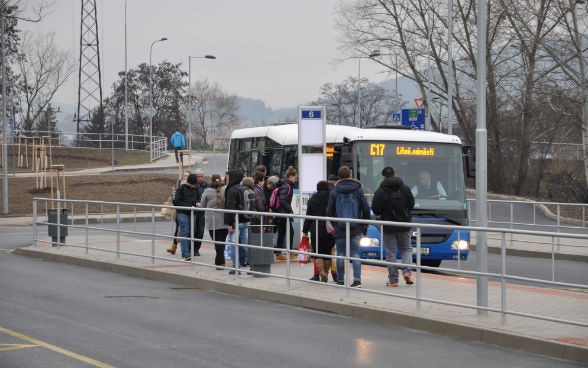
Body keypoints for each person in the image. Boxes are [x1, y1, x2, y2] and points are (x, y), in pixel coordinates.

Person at [326, 165, 371, 288]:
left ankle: (340, 280)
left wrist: (336, 224)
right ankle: (357, 280)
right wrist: (364, 223)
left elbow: (329, 212)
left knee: (340, 254)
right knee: (355, 254)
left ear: (339, 177)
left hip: (340, 228)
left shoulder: (335, 191)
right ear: (350, 175)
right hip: (355, 227)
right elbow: (366, 209)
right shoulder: (358, 190)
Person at [372, 166, 416, 287]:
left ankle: (393, 280)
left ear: (384, 177)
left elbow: (375, 210)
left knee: (391, 253)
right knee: (406, 249)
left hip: (388, 226)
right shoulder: (405, 188)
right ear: (394, 174)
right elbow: (412, 204)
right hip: (404, 225)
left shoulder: (380, 191)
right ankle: (407, 273)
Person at [302, 180, 335, 282]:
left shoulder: (313, 199)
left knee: (317, 252)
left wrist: (305, 231)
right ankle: (326, 273)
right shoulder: (331, 198)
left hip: (316, 228)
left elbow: (308, 217)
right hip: (329, 228)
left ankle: (321, 272)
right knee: (327, 253)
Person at [224, 169, 249, 274]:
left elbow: (230, 208)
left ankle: (236, 267)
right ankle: (252, 264)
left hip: (236, 221)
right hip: (246, 220)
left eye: (229, 177)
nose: (227, 179)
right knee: (246, 243)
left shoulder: (232, 190)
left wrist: (229, 223)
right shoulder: (245, 188)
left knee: (234, 244)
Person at [200, 173, 228, 269]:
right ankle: (219, 261)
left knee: (217, 241)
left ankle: (220, 262)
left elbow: (203, 205)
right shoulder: (225, 189)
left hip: (212, 220)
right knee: (222, 241)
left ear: (211, 180)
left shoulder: (207, 191)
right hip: (225, 219)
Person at [274, 166, 298, 261]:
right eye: (295, 178)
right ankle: (290, 252)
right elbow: (283, 199)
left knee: (282, 232)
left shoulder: (284, 185)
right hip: (284, 213)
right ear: (291, 176)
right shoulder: (287, 186)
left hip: (281, 212)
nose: (296, 180)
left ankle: (279, 253)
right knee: (290, 232)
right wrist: (289, 210)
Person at [173, 173, 198, 260]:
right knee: (185, 232)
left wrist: (197, 203)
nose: (192, 186)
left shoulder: (195, 188)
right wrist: (188, 206)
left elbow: (197, 198)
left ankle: (188, 250)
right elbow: (176, 202)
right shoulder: (181, 188)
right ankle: (185, 253)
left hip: (192, 213)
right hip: (183, 213)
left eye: (194, 185)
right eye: (191, 184)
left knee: (192, 232)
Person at [167, 170, 191, 255]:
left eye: (187, 176)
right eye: (184, 176)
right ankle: (174, 246)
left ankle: (187, 249)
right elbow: (176, 198)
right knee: (178, 228)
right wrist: (173, 195)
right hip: (179, 210)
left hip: (187, 211)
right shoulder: (179, 183)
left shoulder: (190, 186)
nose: (185, 177)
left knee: (185, 230)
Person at [192, 169, 209, 256]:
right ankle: (190, 248)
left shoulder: (206, 185)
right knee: (193, 229)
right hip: (193, 210)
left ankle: (196, 249)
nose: (200, 178)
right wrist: (195, 202)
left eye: (201, 176)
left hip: (202, 211)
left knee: (200, 230)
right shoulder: (192, 184)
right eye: (198, 176)